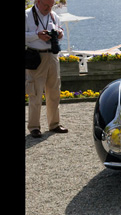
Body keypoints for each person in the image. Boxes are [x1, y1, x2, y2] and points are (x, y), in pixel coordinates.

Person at [25, 0, 68, 138]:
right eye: (45, 5)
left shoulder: (54, 15)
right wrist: (37, 35)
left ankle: (54, 124)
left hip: (53, 56)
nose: (48, 8)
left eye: (51, 5)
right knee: (35, 93)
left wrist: (59, 34)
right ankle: (34, 127)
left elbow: (60, 31)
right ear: (37, 1)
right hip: (35, 57)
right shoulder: (27, 15)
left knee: (54, 92)